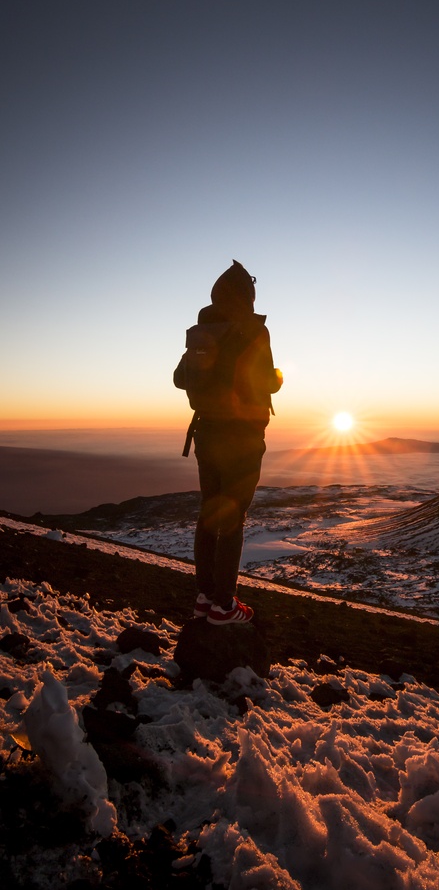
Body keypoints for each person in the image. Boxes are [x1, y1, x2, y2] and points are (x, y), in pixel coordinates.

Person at [174, 260, 283, 624]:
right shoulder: (252, 330)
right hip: (242, 436)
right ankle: (224, 605)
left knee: (209, 513)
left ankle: (205, 598)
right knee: (233, 517)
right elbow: (265, 381)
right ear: (248, 297)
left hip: (206, 432)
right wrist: (278, 377)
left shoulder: (202, 330)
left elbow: (178, 378)